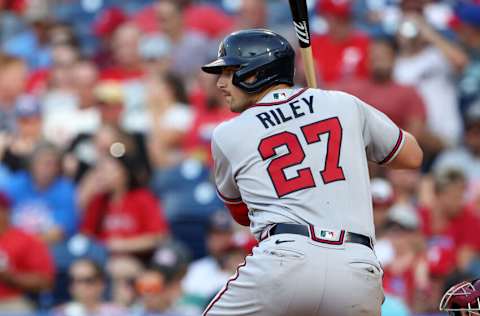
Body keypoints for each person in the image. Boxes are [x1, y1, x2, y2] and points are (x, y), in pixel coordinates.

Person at [200, 29, 423, 316]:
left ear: (255, 73)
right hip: (356, 266)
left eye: (228, 72)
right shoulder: (342, 103)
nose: (219, 83)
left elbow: (241, 215)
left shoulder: (227, 134)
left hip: (283, 260)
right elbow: (412, 155)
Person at [0, 191, 54, 313]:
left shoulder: (26, 240)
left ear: (5, 211)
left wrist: (10, 277)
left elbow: (46, 281)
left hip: (11, 301)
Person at [52, 258, 127, 316]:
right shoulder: (61, 313)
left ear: (101, 283)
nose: (81, 286)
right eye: (74, 280)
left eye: (88, 280)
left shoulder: (117, 312)